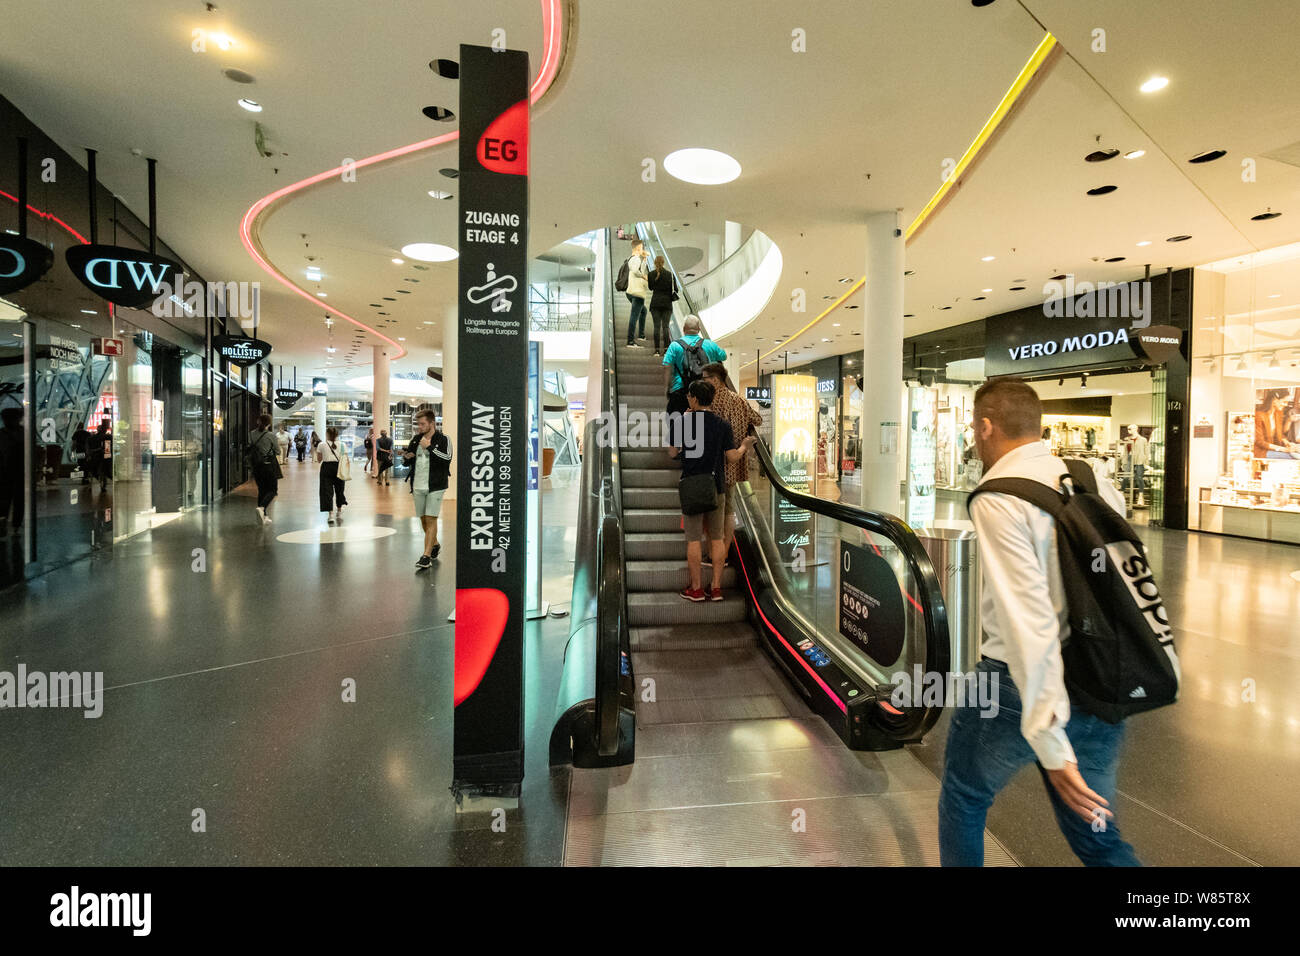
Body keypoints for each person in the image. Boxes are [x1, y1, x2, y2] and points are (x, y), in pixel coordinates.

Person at [938, 377, 1138, 867]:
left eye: (973, 427)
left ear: (986, 426)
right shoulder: (1090, 476)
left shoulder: (998, 495)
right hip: (1101, 674)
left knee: (964, 798)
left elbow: (1028, 620)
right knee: (1095, 830)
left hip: (1015, 685)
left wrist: (1051, 740)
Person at [671, 380, 756, 602]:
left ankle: (696, 589)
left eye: (690, 396)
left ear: (695, 399)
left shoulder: (681, 422)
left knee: (693, 540)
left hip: (691, 486)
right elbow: (732, 457)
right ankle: (716, 588)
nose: (688, 398)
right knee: (717, 539)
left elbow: (672, 453)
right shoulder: (722, 424)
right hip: (716, 487)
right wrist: (745, 445)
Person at [700, 362, 761, 561]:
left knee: (714, 512)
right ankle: (724, 553)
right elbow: (757, 419)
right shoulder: (740, 401)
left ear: (715, 380)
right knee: (729, 509)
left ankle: (712, 553)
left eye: (705, 378)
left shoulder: (711, 402)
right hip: (735, 464)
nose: (703, 382)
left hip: (715, 466)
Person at [404, 409, 452, 571]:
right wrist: (406, 457)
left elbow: (447, 459)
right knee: (423, 519)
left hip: (436, 486)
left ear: (432, 423)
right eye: (418, 424)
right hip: (417, 485)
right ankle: (435, 544)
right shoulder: (416, 439)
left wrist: (430, 447)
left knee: (431, 519)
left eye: (423, 424)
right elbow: (407, 462)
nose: (420, 427)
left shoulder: (444, 439)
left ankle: (426, 556)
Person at [662, 314, 726, 423]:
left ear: (683, 329)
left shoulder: (674, 346)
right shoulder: (710, 344)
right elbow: (723, 356)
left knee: (676, 428)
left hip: (680, 392)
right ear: (699, 329)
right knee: (702, 429)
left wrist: (667, 387)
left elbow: (666, 366)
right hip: (704, 395)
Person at [248, 414, 280, 525]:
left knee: (262, 490)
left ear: (258, 421)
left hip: (256, 466)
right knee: (272, 490)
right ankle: (262, 508)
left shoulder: (251, 434)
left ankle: (264, 516)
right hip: (268, 465)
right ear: (269, 424)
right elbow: (278, 451)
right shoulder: (271, 435)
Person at [314, 426, 350, 523]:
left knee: (327, 492)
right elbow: (346, 459)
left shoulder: (321, 444)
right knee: (340, 490)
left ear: (327, 434)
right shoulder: (343, 445)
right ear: (337, 434)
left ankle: (330, 515)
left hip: (326, 468)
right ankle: (339, 511)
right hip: (339, 468)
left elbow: (319, 460)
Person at [644, 255, 678, 356]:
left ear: (654, 263)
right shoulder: (670, 275)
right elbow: (676, 289)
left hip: (655, 304)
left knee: (656, 327)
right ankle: (667, 350)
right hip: (667, 304)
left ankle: (657, 351)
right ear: (663, 263)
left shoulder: (651, 274)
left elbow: (650, 288)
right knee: (665, 327)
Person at [1255, 388, 1300, 459]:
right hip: (1261, 451)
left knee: (1296, 454)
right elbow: (1259, 442)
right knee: (1293, 457)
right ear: (1274, 400)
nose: (1286, 405)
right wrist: (1283, 449)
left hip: (1273, 448)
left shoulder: (1278, 413)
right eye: (1284, 402)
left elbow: (1279, 433)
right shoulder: (1259, 416)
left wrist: (1286, 442)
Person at [0, 407, 24, 536]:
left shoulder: (2, 434)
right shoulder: (23, 433)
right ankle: (15, 525)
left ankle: (5, 522)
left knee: (6, 498)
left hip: (6, 472)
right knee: (17, 499)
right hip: (18, 472)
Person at [624, 240, 651, 347]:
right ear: (638, 248)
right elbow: (636, 271)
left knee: (643, 311)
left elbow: (640, 269)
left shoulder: (632, 258)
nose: (642, 249)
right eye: (641, 247)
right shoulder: (635, 258)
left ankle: (641, 335)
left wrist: (644, 259)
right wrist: (644, 277)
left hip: (631, 291)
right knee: (634, 316)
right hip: (637, 292)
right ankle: (630, 341)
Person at [86, 419, 111, 492]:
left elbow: (88, 448)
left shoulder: (91, 438)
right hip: (104, 457)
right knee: (104, 472)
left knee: (93, 471)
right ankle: (103, 485)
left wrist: (89, 455)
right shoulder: (107, 437)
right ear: (105, 430)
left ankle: (92, 485)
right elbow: (107, 450)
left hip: (94, 456)